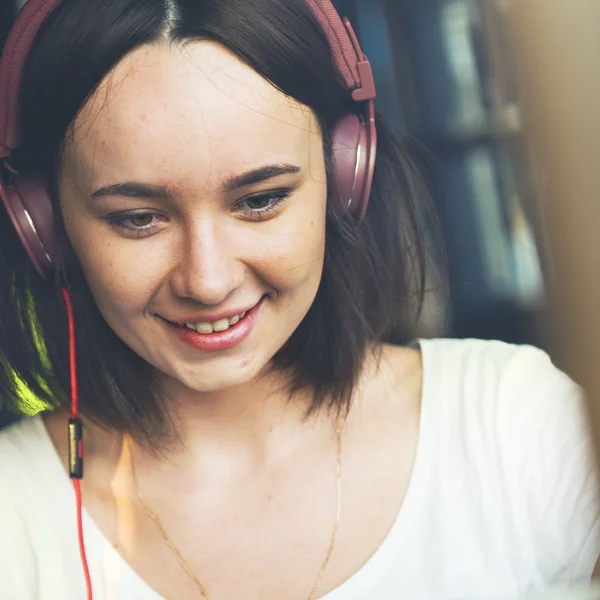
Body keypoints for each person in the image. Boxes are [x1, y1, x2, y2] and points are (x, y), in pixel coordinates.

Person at [0, 0, 598, 599]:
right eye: (137, 218)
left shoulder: (516, 428)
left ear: (345, 178)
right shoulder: (14, 513)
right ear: (45, 225)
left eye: (260, 200)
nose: (207, 281)